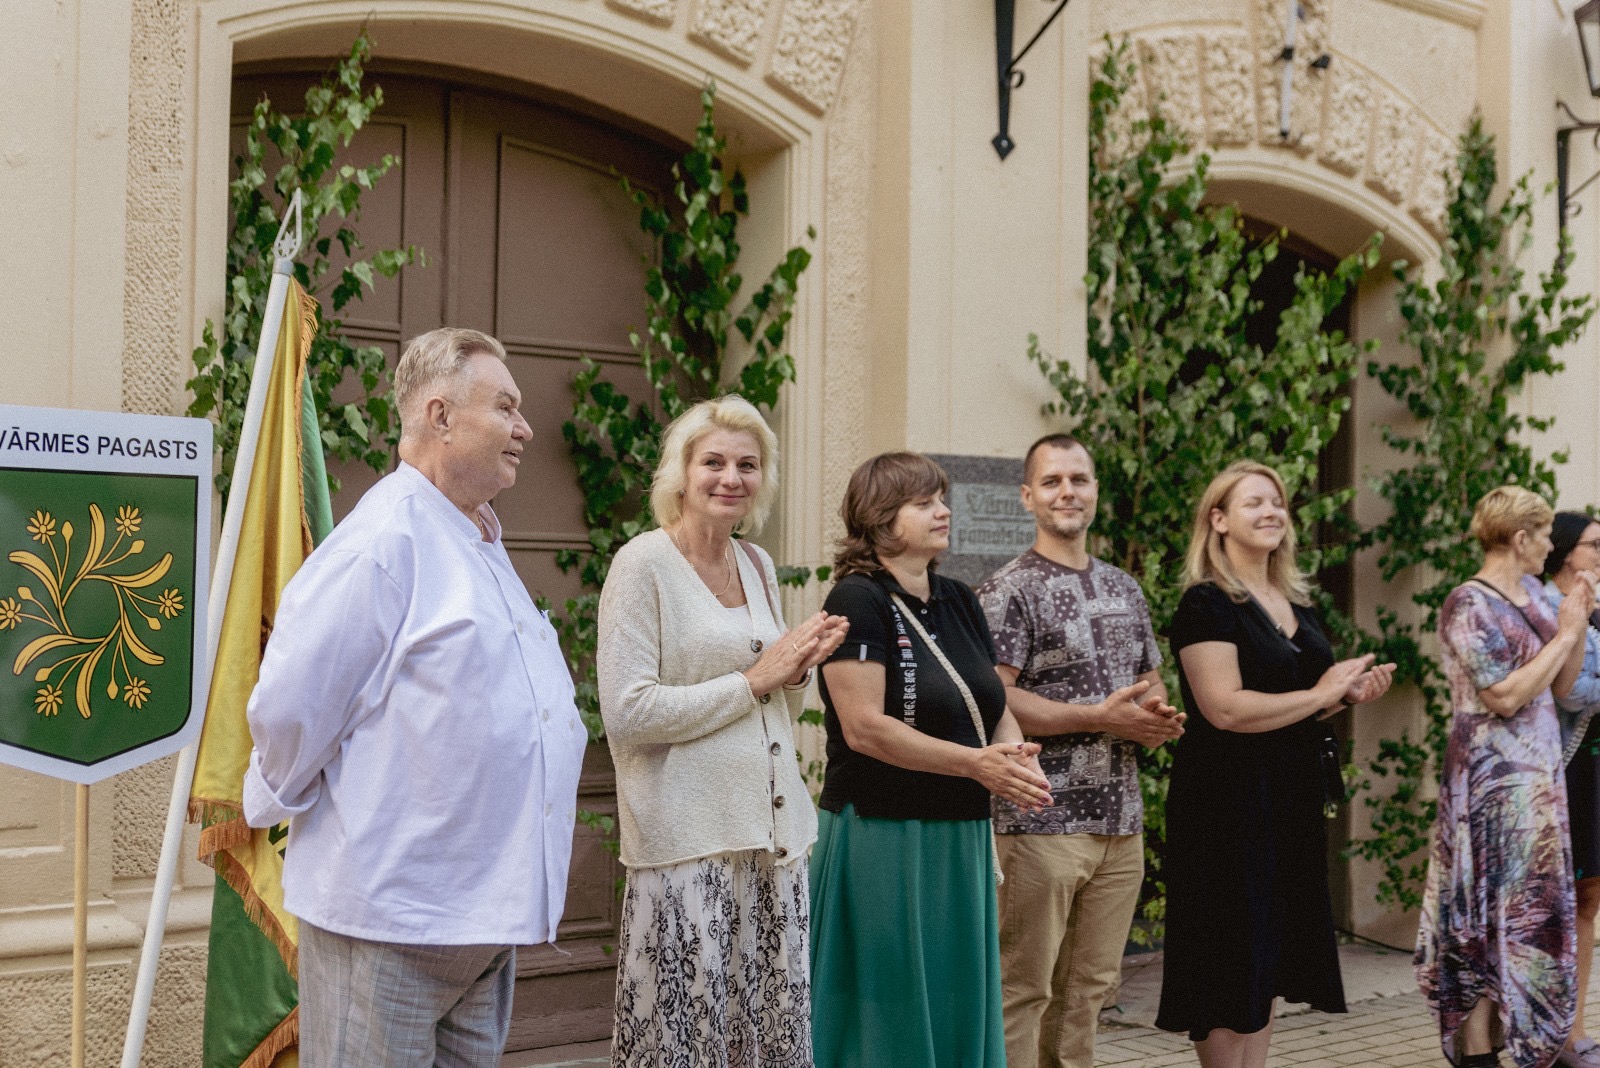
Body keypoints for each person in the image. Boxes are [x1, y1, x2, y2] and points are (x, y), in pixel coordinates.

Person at [242, 327, 589, 1067]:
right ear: (440, 416)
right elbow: (292, 708)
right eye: (505, 407)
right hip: (390, 924)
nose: (525, 428)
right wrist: (280, 801)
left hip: (478, 924)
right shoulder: (381, 544)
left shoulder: (478, 538)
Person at [597, 395, 849, 1068]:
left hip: (773, 840)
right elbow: (629, 712)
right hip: (688, 844)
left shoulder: (756, 563)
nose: (730, 478)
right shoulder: (642, 564)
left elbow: (774, 705)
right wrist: (757, 678)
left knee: (765, 1038)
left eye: (748, 464)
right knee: (686, 1039)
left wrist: (796, 669)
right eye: (713, 462)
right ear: (680, 473)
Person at [809, 451, 1055, 1068]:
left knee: (954, 995)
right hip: (884, 829)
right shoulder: (857, 598)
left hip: (960, 830)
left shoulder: (958, 598)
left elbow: (990, 702)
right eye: (924, 503)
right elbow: (865, 728)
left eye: (941, 498)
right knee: (888, 1000)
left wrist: (1013, 755)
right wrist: (976, 765)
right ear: (880, 518)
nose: (943, 511)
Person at [1155, 460, 1394, 1068]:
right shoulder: (1206, 603)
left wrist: (1346, 695)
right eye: (1254, 502)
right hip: (1224, 802)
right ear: (1218, 520)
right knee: (1227, 953)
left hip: (1288, 795)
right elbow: (1225, 709)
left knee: (1267, 953)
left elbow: (1296, 703)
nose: (1271, 512)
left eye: (1278, 502)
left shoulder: (1294, 602)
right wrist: (1321, 694)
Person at [975, 434, 1182, 1068]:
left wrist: (1156, 718)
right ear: (1028, 496)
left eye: (1079, 479)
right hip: (1040, 820)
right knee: (1023, 990)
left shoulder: (1124, 586)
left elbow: (1150, 683)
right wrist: (1099, 717)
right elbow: (995, 699)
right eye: (1053, 481)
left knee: (1087, 993)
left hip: (1120, 823)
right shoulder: (1008, 589)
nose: (1068, 491)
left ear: (1095, 490)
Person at [1415, 485, 1594, 1068]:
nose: (1550, 547)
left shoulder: (1537, 597)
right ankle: (1476, 1053)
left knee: (1524, 916)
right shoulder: (1467, 603)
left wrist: (1576, 623)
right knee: (1483, 917)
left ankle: (1510, 1041)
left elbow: (1563, 685)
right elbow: (1505, 695)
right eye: (1543, 536)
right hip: (1489, 785)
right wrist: (1565, 634)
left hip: (1539, 781)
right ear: (1519, 538)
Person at [1543, 511, 1600, 1068]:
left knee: (1588, 899)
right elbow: (1571, 692)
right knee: (1554, 902)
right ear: (1565, 550)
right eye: (1594, 544)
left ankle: (1576, 1030)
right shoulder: (1545, 606)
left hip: (1596, 768)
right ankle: (1547, 1029)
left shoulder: (1596, 608)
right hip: (1563, 768)